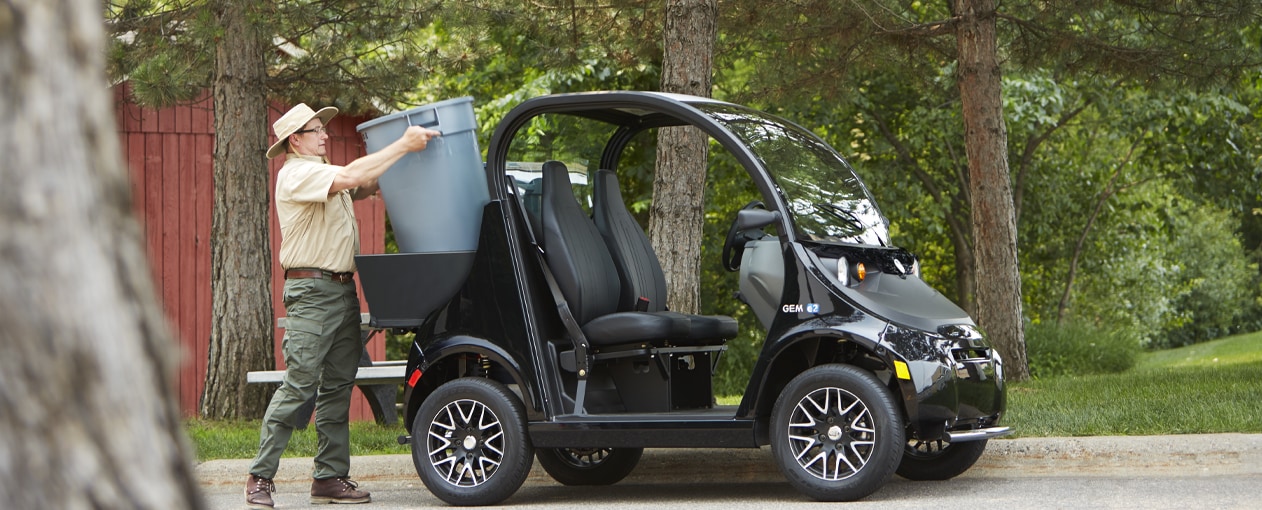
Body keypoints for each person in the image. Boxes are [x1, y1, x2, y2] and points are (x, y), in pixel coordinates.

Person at [245, 103, 439, 509]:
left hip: (342, 290)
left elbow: (363, 182)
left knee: (337, 387)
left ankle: (329, 478)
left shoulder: (324, 173)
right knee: (300, 384)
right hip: (311, 293)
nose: (325, 135)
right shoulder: (296, 173)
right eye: (316, 130)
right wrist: (403, 144)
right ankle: (260, 477)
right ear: (295, 140)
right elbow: (352, 176)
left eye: (323, 129)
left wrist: (400, 155)